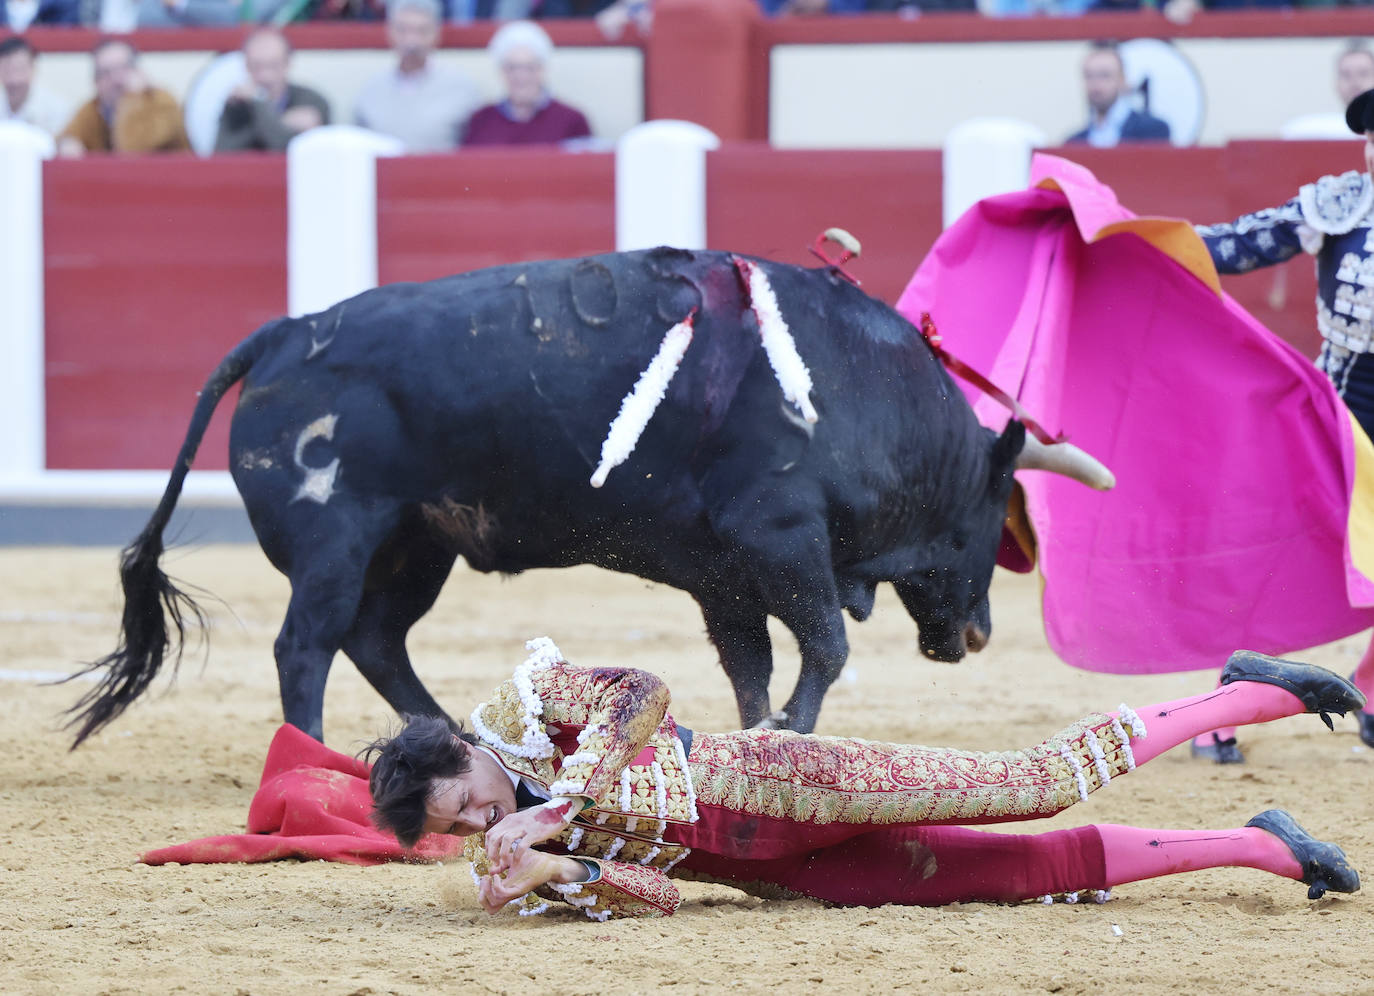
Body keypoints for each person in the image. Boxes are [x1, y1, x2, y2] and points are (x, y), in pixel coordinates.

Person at [365, 638, 1362, 919]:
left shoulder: (535, 705)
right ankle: (1265, 846)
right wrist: (559, 875)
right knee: (1022, 875)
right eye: (459, 833)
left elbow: (647, 692)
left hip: (802, 784)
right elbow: (667, 893)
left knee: (1039, 781)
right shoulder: (529, 844)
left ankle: (1250, 695)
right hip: (783, 875)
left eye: (464, 805)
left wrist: (555, 815)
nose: (475, 826)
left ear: (462, 752)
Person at [1194, 87, 1374, 758]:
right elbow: (1235, 246)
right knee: (1281, 558)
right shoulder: (1342, 206)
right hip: (1344, 407)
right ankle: (1225, 705)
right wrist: (1139, 245)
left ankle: (1373, 692)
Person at [353, 0, 479, 154]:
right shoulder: (370, 91)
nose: (412, 41)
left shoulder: (463, 90)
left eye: (422, 31)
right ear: (389, 32)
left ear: (436, 34)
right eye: (403, 30)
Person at [461, 21, 591, 148]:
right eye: (512, 68)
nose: (521, 76)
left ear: (542, 69)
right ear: (502, 72)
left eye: (529, 67)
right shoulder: (480, 121)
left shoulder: (572, 121)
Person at [56, 39, 190, 157]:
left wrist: (132, 98)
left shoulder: (162, 102)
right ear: (96, 82)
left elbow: (131, 153)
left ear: (139, 72)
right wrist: (67, 143)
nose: (115, 79)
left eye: (123, 68)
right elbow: (66, 139)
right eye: (106, 73)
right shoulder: (95, 108)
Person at [214, 28, 330, 153]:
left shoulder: (312, 101)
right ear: (246, 66)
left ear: (288, 63)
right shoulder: (237, 105)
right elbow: (222, 155)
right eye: (256, 66)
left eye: (273, 65)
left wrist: (264, 117)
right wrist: (262, 104)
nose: (266, 76)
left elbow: (282, 146)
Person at [1065, 42, 1170, 148]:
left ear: (1122, 80)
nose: (1095, 84)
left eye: (1104, 75)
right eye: (1089, 76)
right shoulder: (1074, 143)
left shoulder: (1153, 131)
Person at [1282, 43, 1374, 141]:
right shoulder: (1305, 130)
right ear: (1336, 83)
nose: (1355, 82)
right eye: (1346, 75)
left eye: (1363, 73)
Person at [0, 36, 72, 137]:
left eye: (20, 69)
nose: (14, 79)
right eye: (6, 70)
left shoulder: (55, 110)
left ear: (33, 69)